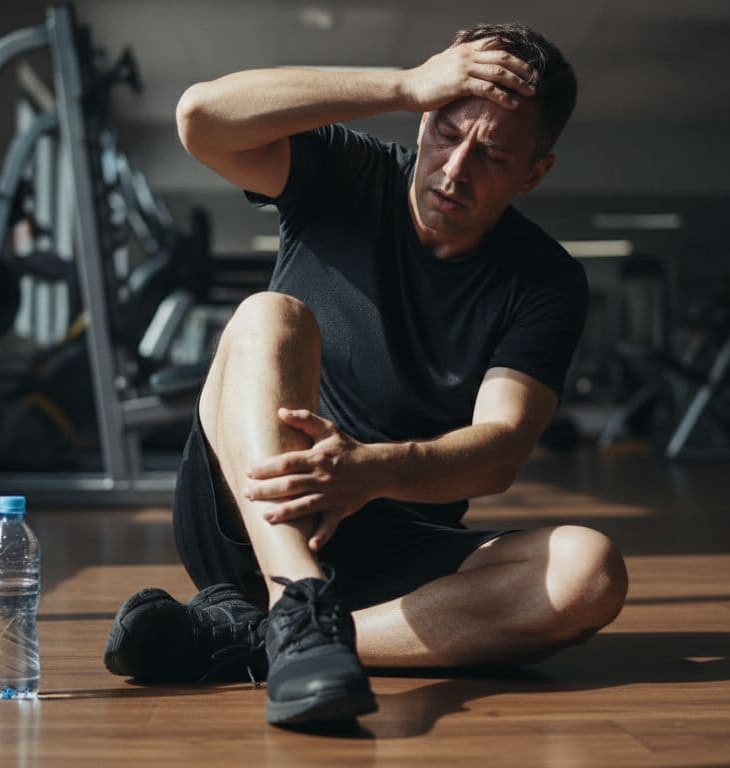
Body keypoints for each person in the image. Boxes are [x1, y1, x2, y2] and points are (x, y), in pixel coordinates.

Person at [103, 23, 628, 727]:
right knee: (268, 315)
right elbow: (202, 117)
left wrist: (370, 472)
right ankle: (296, 597)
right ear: (425, 117)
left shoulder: (544, 279)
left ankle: (259, 639)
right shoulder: (346, 173)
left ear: (534, 173)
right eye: (446, 132)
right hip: (252, 509)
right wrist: (405, 83)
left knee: (589, 571)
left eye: (492, 155)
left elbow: (501, 447)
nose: (454, 169)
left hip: (395, 538)